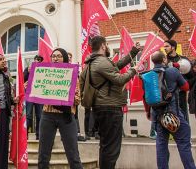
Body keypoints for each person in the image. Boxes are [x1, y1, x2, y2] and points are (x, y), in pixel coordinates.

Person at [79, 36, 139, 169]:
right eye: (106, 44)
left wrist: (133, 52)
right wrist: (133, 70)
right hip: (110, 107)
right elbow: (119, 79)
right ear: (103, 46)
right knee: (111, 148)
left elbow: (116, 66)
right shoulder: (101, 62)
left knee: (106, 146)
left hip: (102, 107)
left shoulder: (93, 62)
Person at [146, 51, 196, 168]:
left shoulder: (148, 75)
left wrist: (149, 113)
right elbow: (186, 87)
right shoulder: (172, 71)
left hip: (158, 116)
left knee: (161, 145)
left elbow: (147, 97)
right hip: (174, 115)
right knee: (183, 143)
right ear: (164, 59)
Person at [38, 48, 83, 169]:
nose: (55, 58)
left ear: (65, 58)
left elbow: (78, 99)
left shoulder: (73, 75)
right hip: (47, 115)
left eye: (59, 56)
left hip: (67, 117)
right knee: (43, 154)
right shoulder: (44, 74)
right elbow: (35, 91)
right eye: (53, 56)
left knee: (73, 154)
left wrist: (62, 96)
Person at [164, 40, 193, 122]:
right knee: (171, 118)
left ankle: (184, 133)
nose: (164, 48)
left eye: (166, 46)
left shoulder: (184, 59)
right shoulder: (164, 60)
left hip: (181, 94)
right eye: (164, 46)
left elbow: (191, 76)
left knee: (183, 116)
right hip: (169, 94)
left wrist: (185, 86)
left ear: (173, 47)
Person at [24, 54, 43, 140]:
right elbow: (23, 80)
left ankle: (39, 135)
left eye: (39, 60)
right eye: (36, 59)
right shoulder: (28, 69)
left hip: (39, 95)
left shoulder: (43, 70)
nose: (37, 61)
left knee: (39, 115)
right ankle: (25, 134)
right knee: (28, 115)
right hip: (29, 95)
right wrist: (28, 72)